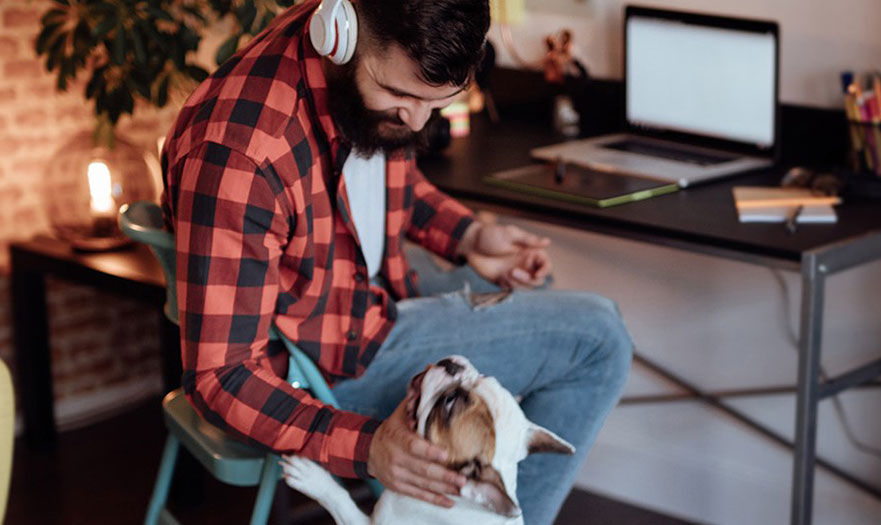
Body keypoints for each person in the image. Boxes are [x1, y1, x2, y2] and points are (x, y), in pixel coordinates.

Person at [160, 0, 633, 522]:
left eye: (440, 102)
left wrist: (469, 235)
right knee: (599, 338)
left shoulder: (352, 69)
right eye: (401, 95)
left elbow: (382, 173)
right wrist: (365, 446)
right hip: (321, 365)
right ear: (336, 32)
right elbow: (220, 378)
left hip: (356, 294)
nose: (416, 119)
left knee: (537, 294)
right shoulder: (241, 155)